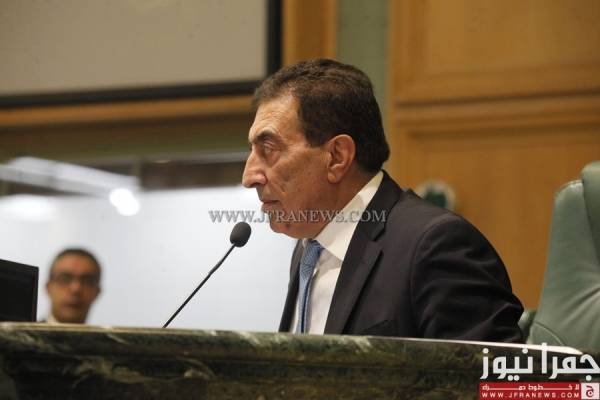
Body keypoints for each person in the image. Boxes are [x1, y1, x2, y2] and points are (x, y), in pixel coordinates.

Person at [242, 59, 524, 342]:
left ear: (337, 157)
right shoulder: (308, 249)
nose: (249, 177)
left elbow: (495, 369)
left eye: (269, 150)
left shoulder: (436, 245)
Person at [44, 248, 101, 324]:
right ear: (48, 288)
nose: (76, 289)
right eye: (64, 279)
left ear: (97, 292)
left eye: (86, 281)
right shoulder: (26, 331)